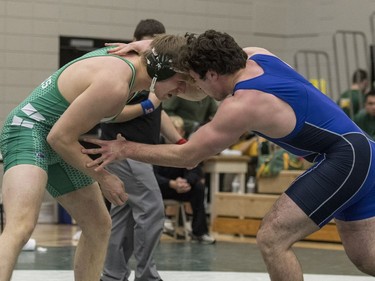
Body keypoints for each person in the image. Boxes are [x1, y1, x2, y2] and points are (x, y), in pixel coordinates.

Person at [83, 30, 375, 281]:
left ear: (212, 74)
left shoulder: (241, 104)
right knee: (366, 257)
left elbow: (188, 156)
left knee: (272, 239)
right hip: (363, 152)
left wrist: (124, 149)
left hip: (344, 159)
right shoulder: (258, 55)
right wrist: (151, 47)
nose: (199, 89)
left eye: (198, 81)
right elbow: (199, 45)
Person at [0, 33, 193, 281]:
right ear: (161, 69)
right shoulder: (115, 83)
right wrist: (104, 177)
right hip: (27, 129)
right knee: (21, 225)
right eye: (180, 81)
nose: (182, 89)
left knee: (98, 226)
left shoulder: (143, 60)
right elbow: (59, 138)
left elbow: (157, 47)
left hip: (58, 137)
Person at [100, 19, 185, 281]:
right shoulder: (132, 70)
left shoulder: (155, 75)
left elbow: (159, 114)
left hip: (136, 153)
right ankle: (147, 275)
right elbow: (109, 115)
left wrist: (181, 144)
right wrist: (149, 103)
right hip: (124, 151)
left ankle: (112, 275)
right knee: (152, 210)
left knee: (124, 216)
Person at [153, 115, 215, 244]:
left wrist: (185, 182)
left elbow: (195, 170)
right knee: (148, 185)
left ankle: (200, 232)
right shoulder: (155, 147)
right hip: (160, 188)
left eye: (177, 130)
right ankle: (155, 228)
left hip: (181, 187)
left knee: (199, 188)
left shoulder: (187, 147)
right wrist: (171, 183)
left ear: (182, 132)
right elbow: (151, 174)